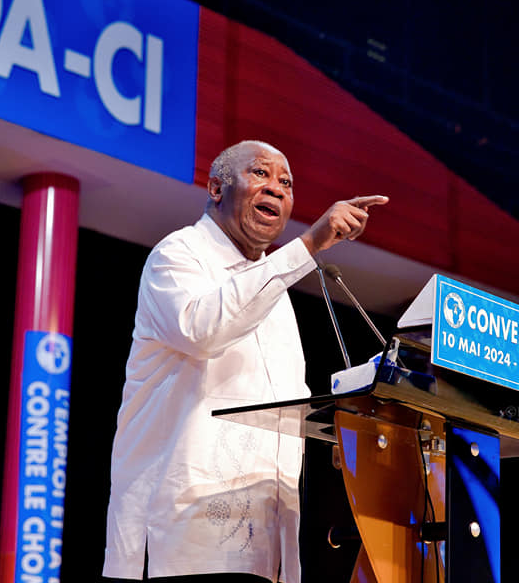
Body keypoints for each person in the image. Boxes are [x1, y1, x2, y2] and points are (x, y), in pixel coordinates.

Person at [103, 140, 388, 582]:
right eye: (261, 174)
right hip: (182, 542)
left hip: (264, 550)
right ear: (217, 187)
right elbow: (202, 330)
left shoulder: (276, 297)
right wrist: (309, 244)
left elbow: (284, 410)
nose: (276, 188)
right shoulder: (177, 256)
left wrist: (349, 429)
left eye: (286, 182)